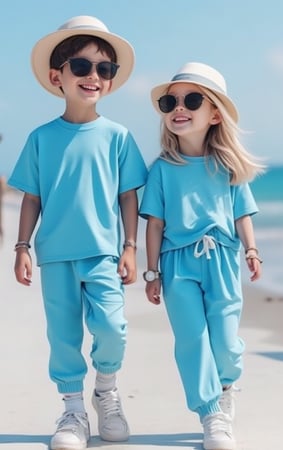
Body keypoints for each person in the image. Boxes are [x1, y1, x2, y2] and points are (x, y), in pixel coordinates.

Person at [8, 16, 147, 450]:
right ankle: (72, 410)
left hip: (104, 252)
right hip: (54, 254)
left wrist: (130, 246)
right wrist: (21, 246)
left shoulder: (118, 137)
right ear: (57, 76)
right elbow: (32, 197)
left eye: (104, 69)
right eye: (82, 66)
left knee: (112, 327)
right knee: (63, 334)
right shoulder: (40, 138)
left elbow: (128, 197)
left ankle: (106, 390)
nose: (93, 76)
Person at [140, 62, 264, 450]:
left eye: (192, 99)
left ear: (214, 114)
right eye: (170, 101)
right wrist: (152, 272)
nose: (180, 107)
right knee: (192, 339)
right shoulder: (161, 169)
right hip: (177, 264)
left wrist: (252, 250)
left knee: (225, 343)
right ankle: (211, 413)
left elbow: (241, 212)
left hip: (223, 261)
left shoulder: (227, 166)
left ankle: (226, 386)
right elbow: (155, 225)